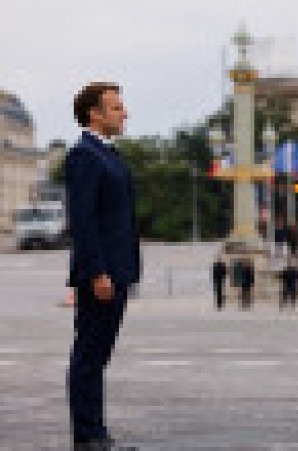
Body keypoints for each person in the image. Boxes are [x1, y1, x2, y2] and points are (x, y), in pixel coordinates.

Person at [66, 82, 140, 450]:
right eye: (117, 108)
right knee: (89, 356)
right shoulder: (85, 155)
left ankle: (96, 433)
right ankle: (87, 436)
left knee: (98, 356)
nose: (125, 114)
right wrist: (97, 272)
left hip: (117, 271)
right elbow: (83, 221)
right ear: (94, 113)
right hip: (102, 275)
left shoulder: (108, 155)